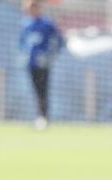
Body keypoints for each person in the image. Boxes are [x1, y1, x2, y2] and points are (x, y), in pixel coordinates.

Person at [20, 0, 65, 130]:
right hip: (30, 64)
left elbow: (59, 40)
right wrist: (24, 54)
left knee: (43, 91)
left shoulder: (46, 23)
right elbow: (22, 42)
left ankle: (44, 117)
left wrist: (50, 56)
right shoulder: (25, 24)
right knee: (33, 91)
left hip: (43, 65)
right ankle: (37, 117)